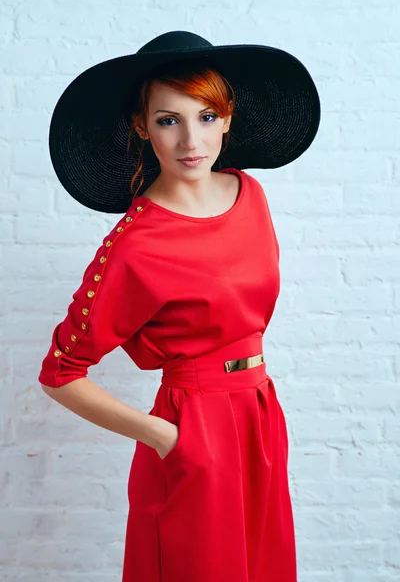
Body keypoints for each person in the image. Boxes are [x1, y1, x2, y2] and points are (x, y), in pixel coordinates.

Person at [38, 30, 321, 582]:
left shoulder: (250, 194)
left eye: (207, 116)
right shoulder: (136, 246)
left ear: (229, 118)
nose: (192, 139)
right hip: (192, 430)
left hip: (260, 414)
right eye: (169, 120)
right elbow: (59, 374)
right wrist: (166, 436)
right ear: (143, 128)